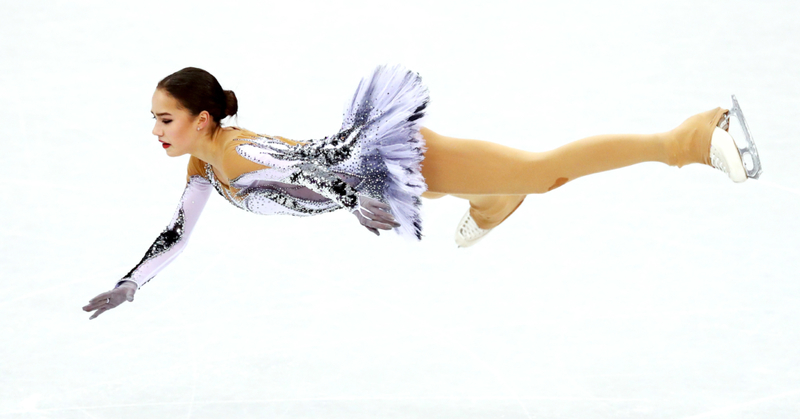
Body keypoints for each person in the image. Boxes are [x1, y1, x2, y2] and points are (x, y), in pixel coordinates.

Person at [82, 65, 761, 320]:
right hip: (385, 181)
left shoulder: (234, 150)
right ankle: (493, 205)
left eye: (163, 119)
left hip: (396, 160)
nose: (155, 131)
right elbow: (177, 231)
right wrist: (132, 283)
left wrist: (354, 201)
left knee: (543, 171)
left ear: (202, 119)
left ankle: (690, 139)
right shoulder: (202, 170)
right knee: (509, 184)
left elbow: (297, 165)